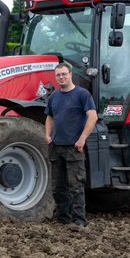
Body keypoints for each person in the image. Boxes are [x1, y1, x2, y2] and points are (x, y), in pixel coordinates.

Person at [44, 63, 97, 229]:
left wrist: (82, 139)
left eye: (64, 74)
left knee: (76, 186)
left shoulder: (82, 94)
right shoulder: (54, 96)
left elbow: (93, 117)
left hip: (73, 148)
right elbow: (50, 117)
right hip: (56, 146)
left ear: (70, 74)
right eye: (58, 75)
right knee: (58, 187)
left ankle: (79, 221)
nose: (61, 77)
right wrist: (47, 135)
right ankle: (62, 219)